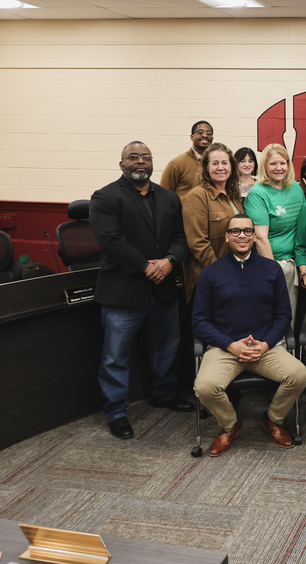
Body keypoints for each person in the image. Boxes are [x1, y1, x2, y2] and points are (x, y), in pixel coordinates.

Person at [90, 141, 191, 440]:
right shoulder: (105, 197)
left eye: (145, 157)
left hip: (162, 290)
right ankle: (116, 412)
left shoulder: (169, 198)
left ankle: (163, 394)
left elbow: (180, 237)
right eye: (133, 157)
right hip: (123, 291)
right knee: (115, 357)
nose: (140, 162)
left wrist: (170, 261)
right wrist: (147, 266)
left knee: (166, 347)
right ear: (121, 164)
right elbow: (111, 240)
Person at [192, 214, 306, 456]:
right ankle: (231, 425)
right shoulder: (211, 273)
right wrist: (230, 345)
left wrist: (265, 344)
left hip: (265, 348)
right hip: (225, 348)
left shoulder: (272, 269)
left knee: (299, 375)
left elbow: (283, 315)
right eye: (235, 231)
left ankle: (273, 419)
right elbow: (199, 321)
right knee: (204, 387)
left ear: (255, 236)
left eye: (247, 231)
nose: (242, 236)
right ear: (227, 237)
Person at [244, 143, 305, 318]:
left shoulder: (295, 187)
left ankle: (288, 347)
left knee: (291, 316)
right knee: (273, 314)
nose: (279, 168)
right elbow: (260, 237)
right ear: (264, 166)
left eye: (283, 163)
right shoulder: (258, 193)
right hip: (274, 264)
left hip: (296, 264)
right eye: (273, 164)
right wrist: (272, 273)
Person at [182, 143, 241, 301]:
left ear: (231, 167)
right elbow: (197, 242)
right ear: (206, 167)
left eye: (224, 163)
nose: (220, 168)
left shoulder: (233, 195)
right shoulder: (198, 196)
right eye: (215, 163)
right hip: (210, 279)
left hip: (235, 276)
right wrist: (221, 272)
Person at [160, 120, 213, 200]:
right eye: (200, 132)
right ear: (192, 137)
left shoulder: (216, 165)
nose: (205, 135)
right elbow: (163, 195)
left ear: (212, 138)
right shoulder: (176, 164)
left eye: (208, 133)